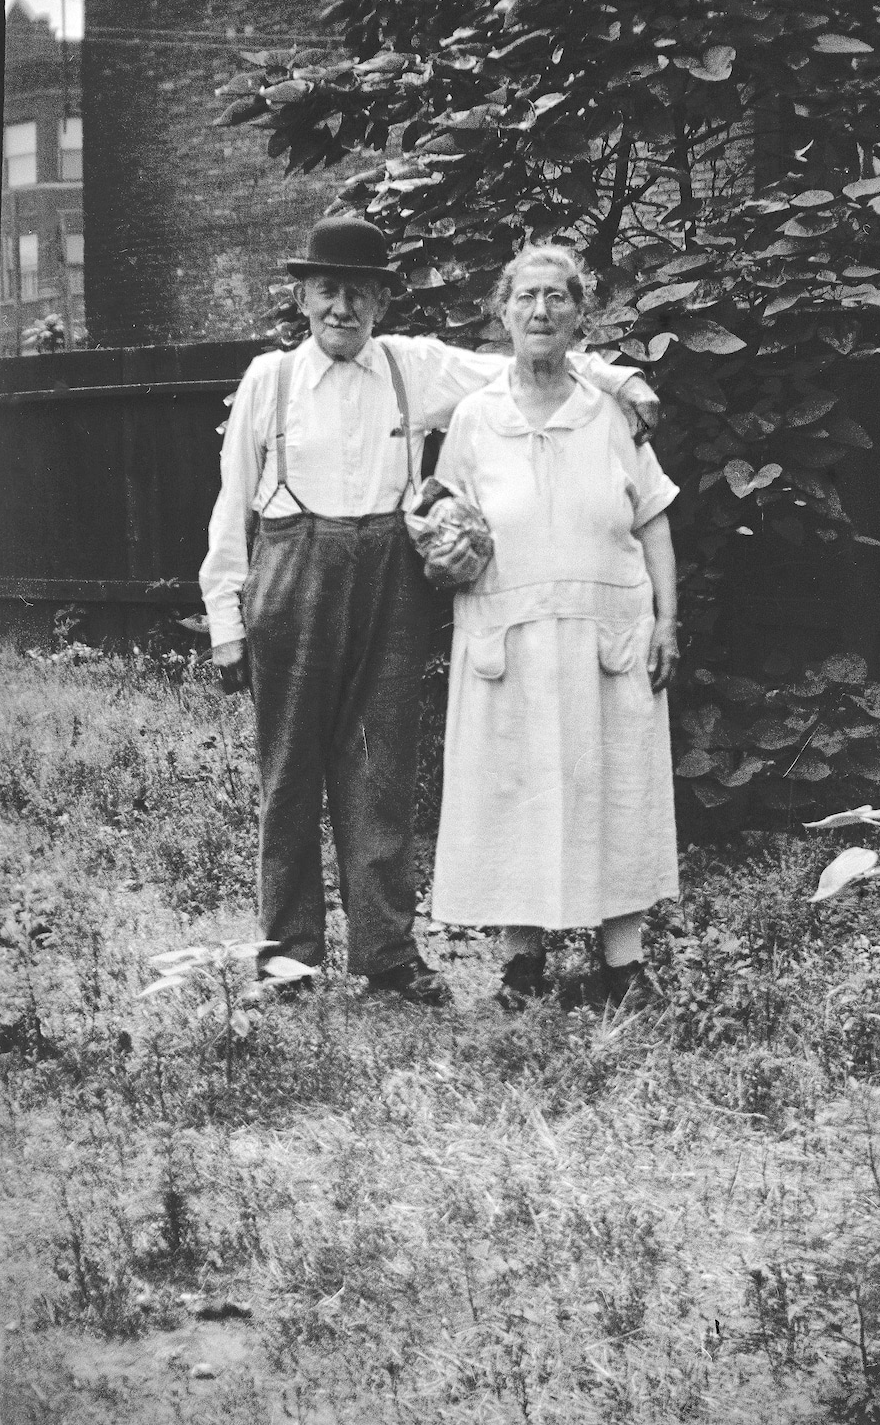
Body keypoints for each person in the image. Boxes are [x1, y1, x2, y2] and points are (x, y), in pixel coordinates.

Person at [198, 215, 661, 1006]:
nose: (343, 307)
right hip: (292, 575)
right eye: (328, 290)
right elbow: (229, 505)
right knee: (289, 774)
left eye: (360, 292)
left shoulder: (415, 366)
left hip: (388, 578)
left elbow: (525, 359)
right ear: (304, 298)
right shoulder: (267, 381)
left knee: (381, 774)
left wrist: (619, 379)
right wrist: (225, 621)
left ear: (382, 300)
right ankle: (288, 959)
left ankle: (385, 955)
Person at [428, 244, 681, 1009]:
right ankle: (521, 965)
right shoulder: (474, 417)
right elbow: (441, 512)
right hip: (507, 637)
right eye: (526, 297)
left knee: (617, 787)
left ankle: (624, 962)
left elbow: (655, 519)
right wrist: (444, 536)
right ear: (502, 312)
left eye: (558, 298)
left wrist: (669, 621)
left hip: (608, 636)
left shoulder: (611, 412)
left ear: (580, 315)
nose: (541, 311)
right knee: (512, 792)